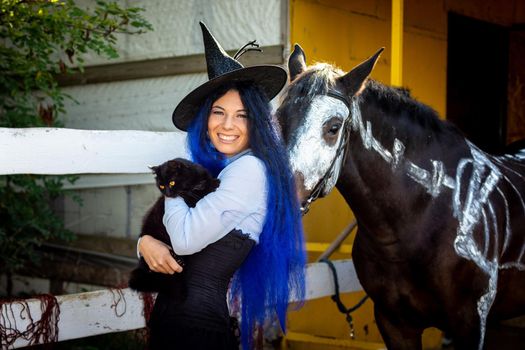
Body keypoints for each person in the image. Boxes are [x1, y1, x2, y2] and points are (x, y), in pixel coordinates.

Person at [138, 22, 306, 350]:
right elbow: (168, 239)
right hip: (180, 322)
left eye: (241, 115)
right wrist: (145, 242)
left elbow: (184, 241)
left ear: (256, 122)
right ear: (206, 117)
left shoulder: (249, 171)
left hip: (194, 328)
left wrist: (172, 183)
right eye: (219, 112)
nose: (227, 125)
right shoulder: (224, 171)